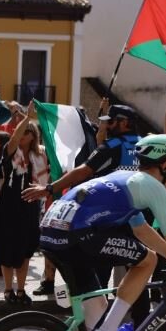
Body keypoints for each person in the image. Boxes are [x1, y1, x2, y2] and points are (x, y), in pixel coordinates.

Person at [39, 134, 166, 331]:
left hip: (52, 232)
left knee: (96, 315)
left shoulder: (126, 179)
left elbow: (143, 231)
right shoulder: (153, 187)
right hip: (76, 236)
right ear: (165, 165)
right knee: (148, 260)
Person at [22, 103, 140, 295]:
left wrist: (50, 188)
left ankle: (97, 319)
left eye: (110, 122)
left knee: (100, 274)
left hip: (110, 220)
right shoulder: (146, 146)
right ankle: (139, 321)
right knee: (138, 272)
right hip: (139, 218)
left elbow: (84, 170)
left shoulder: (112, 146)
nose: (106, 126)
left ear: (124, 123)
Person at [0, 103, 48, 305]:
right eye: (21, 132)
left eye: (27, 132)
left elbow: (44, 181)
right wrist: (26, 118)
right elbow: (14, 138)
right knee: (7, 247)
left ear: (33, 136)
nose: (22, 135)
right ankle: (8, 290)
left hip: (30, 205)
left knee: (26, 249)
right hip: (9, 205)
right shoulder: (10, 151)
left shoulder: (39, 155)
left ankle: (20, 290)